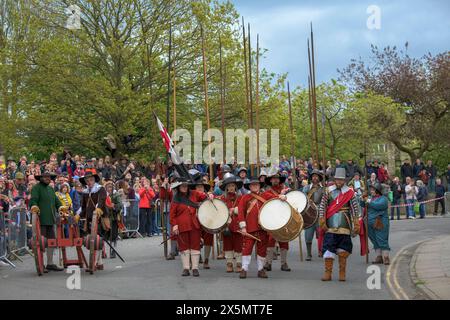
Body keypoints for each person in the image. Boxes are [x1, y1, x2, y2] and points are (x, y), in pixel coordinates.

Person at [318, 168, 360, 282]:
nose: (339, 182)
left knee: (343, 250)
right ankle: (328, 273)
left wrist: (356, 223)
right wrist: (322, 220)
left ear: (344, 181)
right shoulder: (328, 191)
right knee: (328, 249)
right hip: (330, 225)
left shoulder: (350, 193)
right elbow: (322, 206)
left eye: (341, 180)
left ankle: (342, 273)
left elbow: (355, 209)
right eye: (337, 179)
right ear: (334, 179)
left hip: (344, 224)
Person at [169, 176, 211, 277]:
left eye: (185, 185)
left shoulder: (194, 193)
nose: (184, 187)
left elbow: (204, 196)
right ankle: (186, 268)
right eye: (182, 186)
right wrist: (174, 225)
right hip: (182, 226)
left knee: (195, 246)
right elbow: (172, 214)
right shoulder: (175, 198)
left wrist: (210, 195)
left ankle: (195, 268)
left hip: (194, 225)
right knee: (184, 247)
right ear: (179, 187)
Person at [29, 171, 66, 272]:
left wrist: (61, 207)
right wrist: (34, 206)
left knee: (51, 242)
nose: (47, 178)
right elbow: (33, 200)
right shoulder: (36, 188)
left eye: (49, 177)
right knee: (40, 243)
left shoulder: (50, 189)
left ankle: (50, 263)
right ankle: (41, 264)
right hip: (40, 220)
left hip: (51, 219)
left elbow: (56, 201)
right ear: (41, 178)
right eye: (45, 177)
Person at [237, 178, 273, 279]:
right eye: (252, 185)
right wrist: (243, 227)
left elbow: (276, 199)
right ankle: (244, 269)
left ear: (259, 186)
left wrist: (282, 196)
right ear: (249, 186)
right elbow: (241, 213)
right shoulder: (245, 198)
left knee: (262, 249)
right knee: (247, 248)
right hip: (249, 228)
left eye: (256, 184)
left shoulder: (266, 195)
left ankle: (261, 269)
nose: (255, 186)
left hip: (263, 228)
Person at [261, 168, 291, 272]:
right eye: (273, 179)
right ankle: (268, 263)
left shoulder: (286, 191)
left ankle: (284, 263)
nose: (275, 180)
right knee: (270, 240)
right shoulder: (266, 193)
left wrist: (285, 194)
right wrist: (280, 195)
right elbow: (270, 199)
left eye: (277, 178)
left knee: (284, 240)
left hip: (283, 218)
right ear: (270, 180)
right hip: (272, 219)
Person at [80, 171, 109, 271]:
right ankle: (99, 262)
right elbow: (83, 207)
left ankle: (95, 263)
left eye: (91, 180)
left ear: (94, 180)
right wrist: (78, 215)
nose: (89, 182)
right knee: (93, 241)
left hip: (100, 217)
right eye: (87, 180)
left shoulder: (100, 189)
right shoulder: (85, 192)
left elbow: (102, 200)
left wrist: (98, 209)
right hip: (89, 218)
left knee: (97, 240)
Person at [217, 173, 243, 273]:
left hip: (238, 225)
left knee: (239, 245)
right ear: (226, 188)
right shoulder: (222, 199)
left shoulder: (241, 198)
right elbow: (218, 210)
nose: (231, 188)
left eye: (233, 186)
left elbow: (243, 210)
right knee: (228, 245)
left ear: (235, 187)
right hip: (226, 226)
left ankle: (239, 263)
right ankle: (229, 263)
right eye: (229, 186)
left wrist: (235, 210)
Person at [188, 170, 214, 269]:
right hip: (195, 222)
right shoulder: (191, 198)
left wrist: (211, 196)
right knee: (194, 240)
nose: (199, 188)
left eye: (201, 187)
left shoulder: (208, 196)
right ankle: (194, 258)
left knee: (208, 240)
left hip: (207, 222)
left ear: (204, 188)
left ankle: (206, 259)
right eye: (198, 187)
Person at [361, 183, 390, 265]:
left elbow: (378, 206)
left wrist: (368, 201)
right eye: (371, 190)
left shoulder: (383, 199)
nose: (371, 191)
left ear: (378, 191)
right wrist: (363, 198)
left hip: (380, 222)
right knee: (374, 240)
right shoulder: (370, 198)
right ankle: (379, 257)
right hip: (369, 223)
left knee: (382, 239)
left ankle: (386, 257)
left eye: (373, 190)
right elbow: (362, 204)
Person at [302, 169, 324, 261]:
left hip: (320, 212)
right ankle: (309, 254)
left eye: (316, 176)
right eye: (313, 176)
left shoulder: (323, 189)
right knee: (308, 235)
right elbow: (302, 200)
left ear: (319, 178)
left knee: (321, 233)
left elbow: (325, 201)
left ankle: (321, 250)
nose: (315, 178)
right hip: (309, 213)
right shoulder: (306, 188)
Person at [104, 180, 122, 258]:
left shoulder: (116, 195)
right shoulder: (104, 195)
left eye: (111, 187)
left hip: (113, 217)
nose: (109, 188)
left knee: (113, 235)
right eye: (108, 187)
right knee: (104, 235)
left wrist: (114, 206)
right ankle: (102, 252)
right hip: (105, 218)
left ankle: (113, 251)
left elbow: (120, 205)